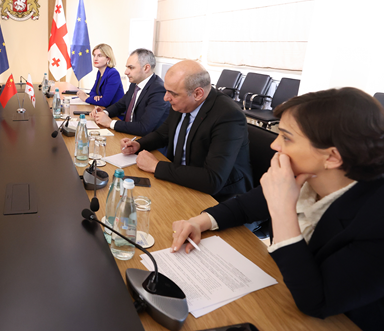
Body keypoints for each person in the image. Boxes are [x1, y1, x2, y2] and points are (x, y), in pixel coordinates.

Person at [171, 88, 384, 330]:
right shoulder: (305, 175)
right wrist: (200, 221)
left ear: (332, 157)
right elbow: (244, 206)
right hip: (283, 292)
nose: (274, 144)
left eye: (286, 138)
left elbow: (316, 301)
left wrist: (283, 209)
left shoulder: (376, 218)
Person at [121, 60, 251, 201]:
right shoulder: (183, 102)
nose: (166, 98)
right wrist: (139, 144)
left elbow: (213, 179)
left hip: (216, 197)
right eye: (166, 90)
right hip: (179, 181)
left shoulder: (228, 116)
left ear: (198, 94)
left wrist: (156, 166)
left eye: (172, 93)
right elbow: (163, 133)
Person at [90, 48, 170, 136]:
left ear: (146, 68)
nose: (126, 72)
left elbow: (144, 127)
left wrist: (110, 123)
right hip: (127, 134)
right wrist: (104, 113)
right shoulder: (135, 83)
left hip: (143, 140)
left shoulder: (159, 90)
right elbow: (120, 104)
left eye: (131, 68)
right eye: (127, 67)